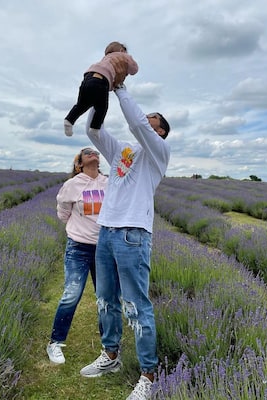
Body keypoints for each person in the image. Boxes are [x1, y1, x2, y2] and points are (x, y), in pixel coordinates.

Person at [79, 84, 171, 400]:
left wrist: (119, 87)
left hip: (133, 234)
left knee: (135, 304)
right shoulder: (124, 151)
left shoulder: (158, 153)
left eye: (151, 121)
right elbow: (94, 132)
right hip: (106, 231)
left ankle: (148, 375)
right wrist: (97, 91)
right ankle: (111, 356)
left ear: (159, 132)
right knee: (105, 299)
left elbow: (137, 124)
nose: (145, 121)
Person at [46, 147, 108, 364]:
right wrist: (79, 229)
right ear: (79, 164)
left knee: (106, 298)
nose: (93, 153)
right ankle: (55, 342)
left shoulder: (108, 182)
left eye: (95, 152)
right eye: (87, 152)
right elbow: (63, 213)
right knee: (72, 294)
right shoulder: (72, 185)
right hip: (79, 248)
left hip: (104, 250)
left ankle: (109, 347)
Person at [64, 41, 138, 137]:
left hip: (87, 78)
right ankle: (94, 128)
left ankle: (69, 120)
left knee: (82, 104)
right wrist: (130, 65)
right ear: (122, 50)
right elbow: (134, 69)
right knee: (102, 107)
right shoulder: (122, 55)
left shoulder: (105, 59)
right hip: (101, 81)